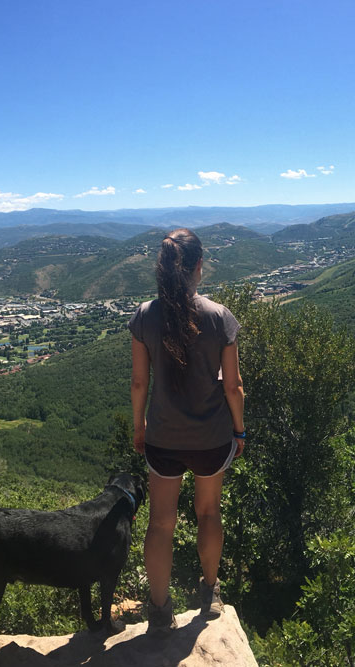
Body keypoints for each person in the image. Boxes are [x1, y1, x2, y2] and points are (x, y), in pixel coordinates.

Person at [127, 228, 245, 636]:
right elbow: (233, 386)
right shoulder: (219, 317)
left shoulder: (145, 315)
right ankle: (209, 593)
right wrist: (240, 432)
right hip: (211, 438)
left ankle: (159, 609)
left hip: (162, 437)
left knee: (161, 523)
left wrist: (139, 426)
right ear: (198, 266)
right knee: (209, 513)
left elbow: (139, 383)